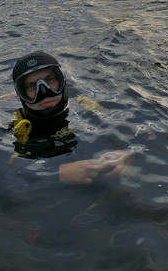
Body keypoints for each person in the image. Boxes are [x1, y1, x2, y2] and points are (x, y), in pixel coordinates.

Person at [11, 51, 133, 185]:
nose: (44, 92)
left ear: (61, 81)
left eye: (50, 80)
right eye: (31, 86)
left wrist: (128, 154)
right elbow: (1, 173)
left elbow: (139, 131)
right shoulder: (12, 125)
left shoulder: (86, 106)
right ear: (21, 95)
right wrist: (56, 174)